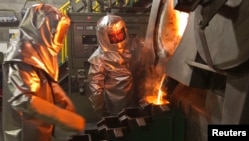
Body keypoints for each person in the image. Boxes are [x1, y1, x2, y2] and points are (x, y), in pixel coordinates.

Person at [2, 4, 85, 141]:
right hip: (24, 132)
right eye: (55, 32)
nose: (58, 39)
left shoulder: (42, 51)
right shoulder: (21, 52)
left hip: (40, 126)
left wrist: (62, 98)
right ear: (43, 28)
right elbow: (23, 99)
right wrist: (61, 117)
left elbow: (47, 80)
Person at [88, 14, 143, 117]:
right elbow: (96, 89)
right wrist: (102, 112)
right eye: (113, 36)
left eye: (120, 34)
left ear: (125, 30)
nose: (118, 38)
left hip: (138, 100)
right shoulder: (99, 58)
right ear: (104, 38)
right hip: (116, 107)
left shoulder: (135, 45)